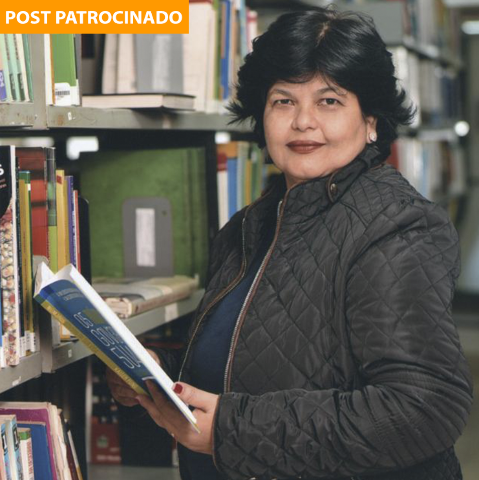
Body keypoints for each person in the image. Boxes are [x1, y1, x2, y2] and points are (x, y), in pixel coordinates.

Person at [107, 6, 473, 480]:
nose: (302, 122)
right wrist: (156, 375)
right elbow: (256, 361)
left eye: (329, 101)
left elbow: (422, 408)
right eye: (283, 101)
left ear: (372, 123)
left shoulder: (398, 227)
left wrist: (229, 431)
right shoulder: (249, 226)